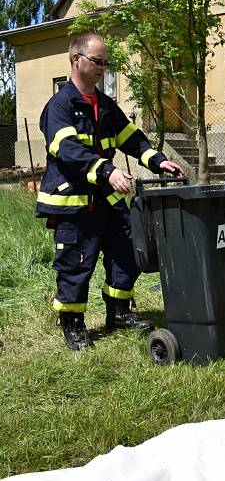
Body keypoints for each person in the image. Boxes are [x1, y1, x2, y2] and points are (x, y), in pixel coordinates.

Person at [38, 32, 185, 351]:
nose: (104, 67)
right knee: (76, 265)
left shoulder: (104, 105)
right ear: (76, 60)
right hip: (74, 205)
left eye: (106, 62)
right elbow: (67, 150)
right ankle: (74, 325)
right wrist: (107, 170)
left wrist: (158, 161)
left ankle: (118, 313)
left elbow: (132, 138)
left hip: (107, 201)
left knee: (128, 252)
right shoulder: (59, 106)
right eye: (97, 61)